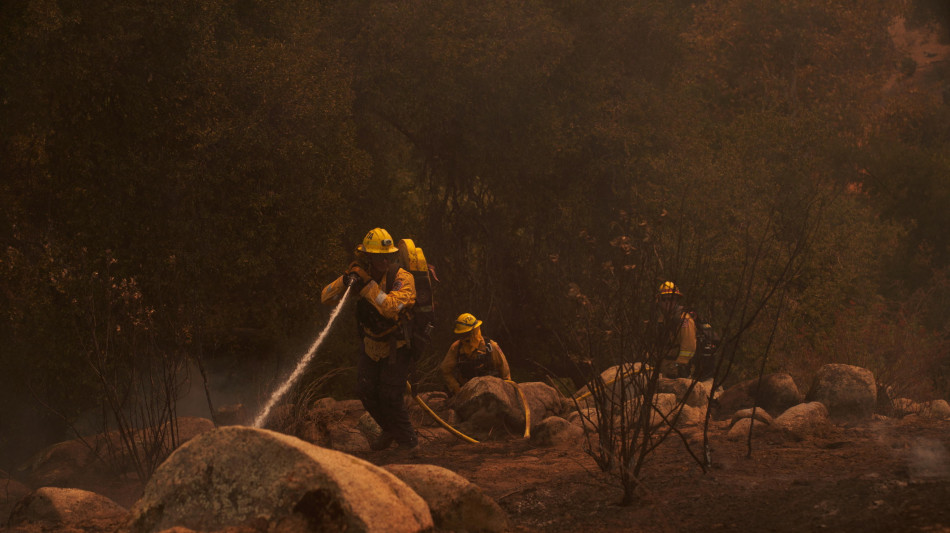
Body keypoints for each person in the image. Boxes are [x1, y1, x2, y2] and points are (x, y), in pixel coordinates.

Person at [321, 227, 417, 450]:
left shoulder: (403, 278)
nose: (384, 261)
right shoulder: (362, 276)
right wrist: (346, 280)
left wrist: (367, 286)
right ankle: (390, 430)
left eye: (388, 256)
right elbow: (326, 297)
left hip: (397, 346)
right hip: (371, 345)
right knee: (365, 392)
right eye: (379, 256)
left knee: (391, 396)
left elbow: (392, 307)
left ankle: (410, 444)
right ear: (368, 256)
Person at [440, 313, 511, 395]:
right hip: (466, 392)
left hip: (490, 391)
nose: (464, 336)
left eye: (466, 333)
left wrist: (507, 390)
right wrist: (456, 388)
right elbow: (445, 370)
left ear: (474, 331)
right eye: (462, 334)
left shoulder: (491, 346)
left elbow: (504, 369)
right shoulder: (456, 347)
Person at [656, 281, 696, 379]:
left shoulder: (684, 319)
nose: (668, 302)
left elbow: (689, 346)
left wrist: (679, 366)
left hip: (680, 372)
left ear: (677, 300)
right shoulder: (662, 319)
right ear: (659, 301)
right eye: (664, 299)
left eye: (671, 299)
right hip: (665, 370)